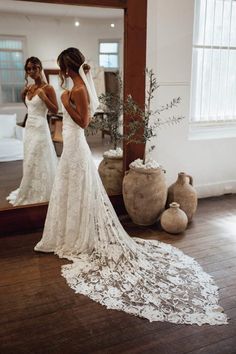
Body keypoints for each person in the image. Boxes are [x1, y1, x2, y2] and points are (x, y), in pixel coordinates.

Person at [34, 48, 227, 326]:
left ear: (66, 67)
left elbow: (85, 122)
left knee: (77, 185)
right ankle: (68, 231)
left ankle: (78, 235)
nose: (60, 70)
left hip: (77, 145)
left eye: (60, 66)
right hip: (72, 146)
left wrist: (66, 101)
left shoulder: (74, 90)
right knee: (69, 187)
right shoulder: (73, 86)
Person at [7, 57, 58, 206]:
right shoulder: (30, 88)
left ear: (40, 68)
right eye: (28, 69)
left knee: (39, 157)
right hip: (29, 128)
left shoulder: (48, 88)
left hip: (41, 128)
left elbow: (55, 110)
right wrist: (23, 97)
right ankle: (30, 188)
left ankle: (44, 190)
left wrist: (43, 97)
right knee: (30, 158)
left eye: (34, 68)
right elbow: (31, 108)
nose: (31, 71)